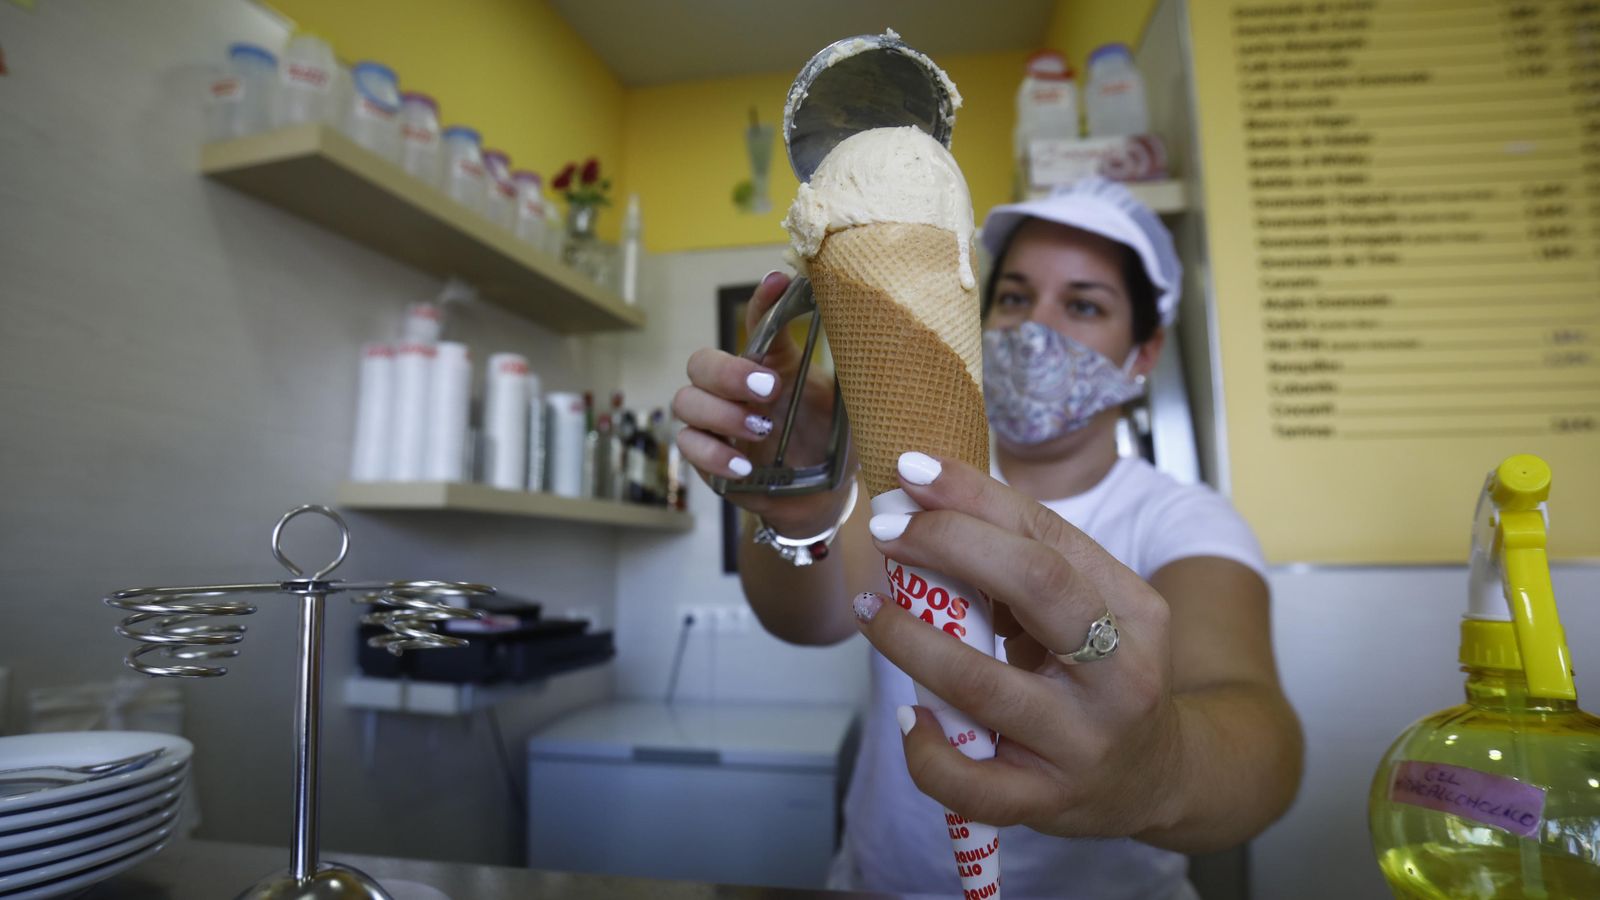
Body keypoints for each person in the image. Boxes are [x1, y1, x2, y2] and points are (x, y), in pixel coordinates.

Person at [672, 178, 1303, 899]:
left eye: (1085, 304)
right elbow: (807, 620)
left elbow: (1260, 741)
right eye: (1013, 297)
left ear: (1144, 353)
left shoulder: (1181, 518)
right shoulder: (913, 478)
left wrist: (1156, 770)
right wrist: (801, 507)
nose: (1037, 327)